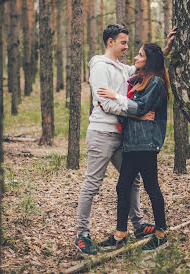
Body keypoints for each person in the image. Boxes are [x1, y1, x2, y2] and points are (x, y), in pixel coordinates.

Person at [74, 24, 176, 255]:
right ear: (110, 42)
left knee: (132, 182)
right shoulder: (100, 66)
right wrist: (137, 112)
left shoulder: (122, 68)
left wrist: (167, 48)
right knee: (92, 183)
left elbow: (149, 65)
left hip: (123, 136)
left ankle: (138, 226)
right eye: (123, 42)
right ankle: (82, 234)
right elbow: (107, 103)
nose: (127, 47)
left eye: (128, 43)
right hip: (102, 132)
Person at [96, 43, 171, 251]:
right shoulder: (139, 80)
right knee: (122, 187)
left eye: (140, 55)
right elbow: (133, 109)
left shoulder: (155, 82)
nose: (135, 57)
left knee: (151, 188)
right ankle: (120, 234)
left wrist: (115, 96)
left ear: (149, 60)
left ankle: (161, 234)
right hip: (131, 143)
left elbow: (141, 107)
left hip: (146, 143)